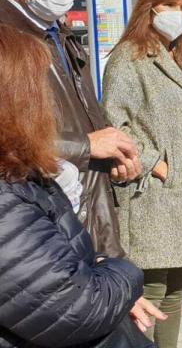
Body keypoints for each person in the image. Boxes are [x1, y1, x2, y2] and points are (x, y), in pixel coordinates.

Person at [0, 24, 164, 347]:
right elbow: (79, 305)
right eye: (37, 88)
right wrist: (122, 272)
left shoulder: (17, 173)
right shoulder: (8, 199)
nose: (47, 101)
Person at [0, 0, 141, 258]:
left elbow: (81, 117)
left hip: (82, 205)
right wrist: (88, 146)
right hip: (36, 223)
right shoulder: (8, 40)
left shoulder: (58, 34)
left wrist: (109, 158)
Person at [102, 0, 182, 348]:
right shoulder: (131, 57)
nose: (179, 14)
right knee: (150, 292)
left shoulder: (176, 53)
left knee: (175, 291)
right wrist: (158, 165)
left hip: (181, 192)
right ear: (150, 7)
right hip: (152, 194)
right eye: (171, 5)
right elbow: (113, 124)